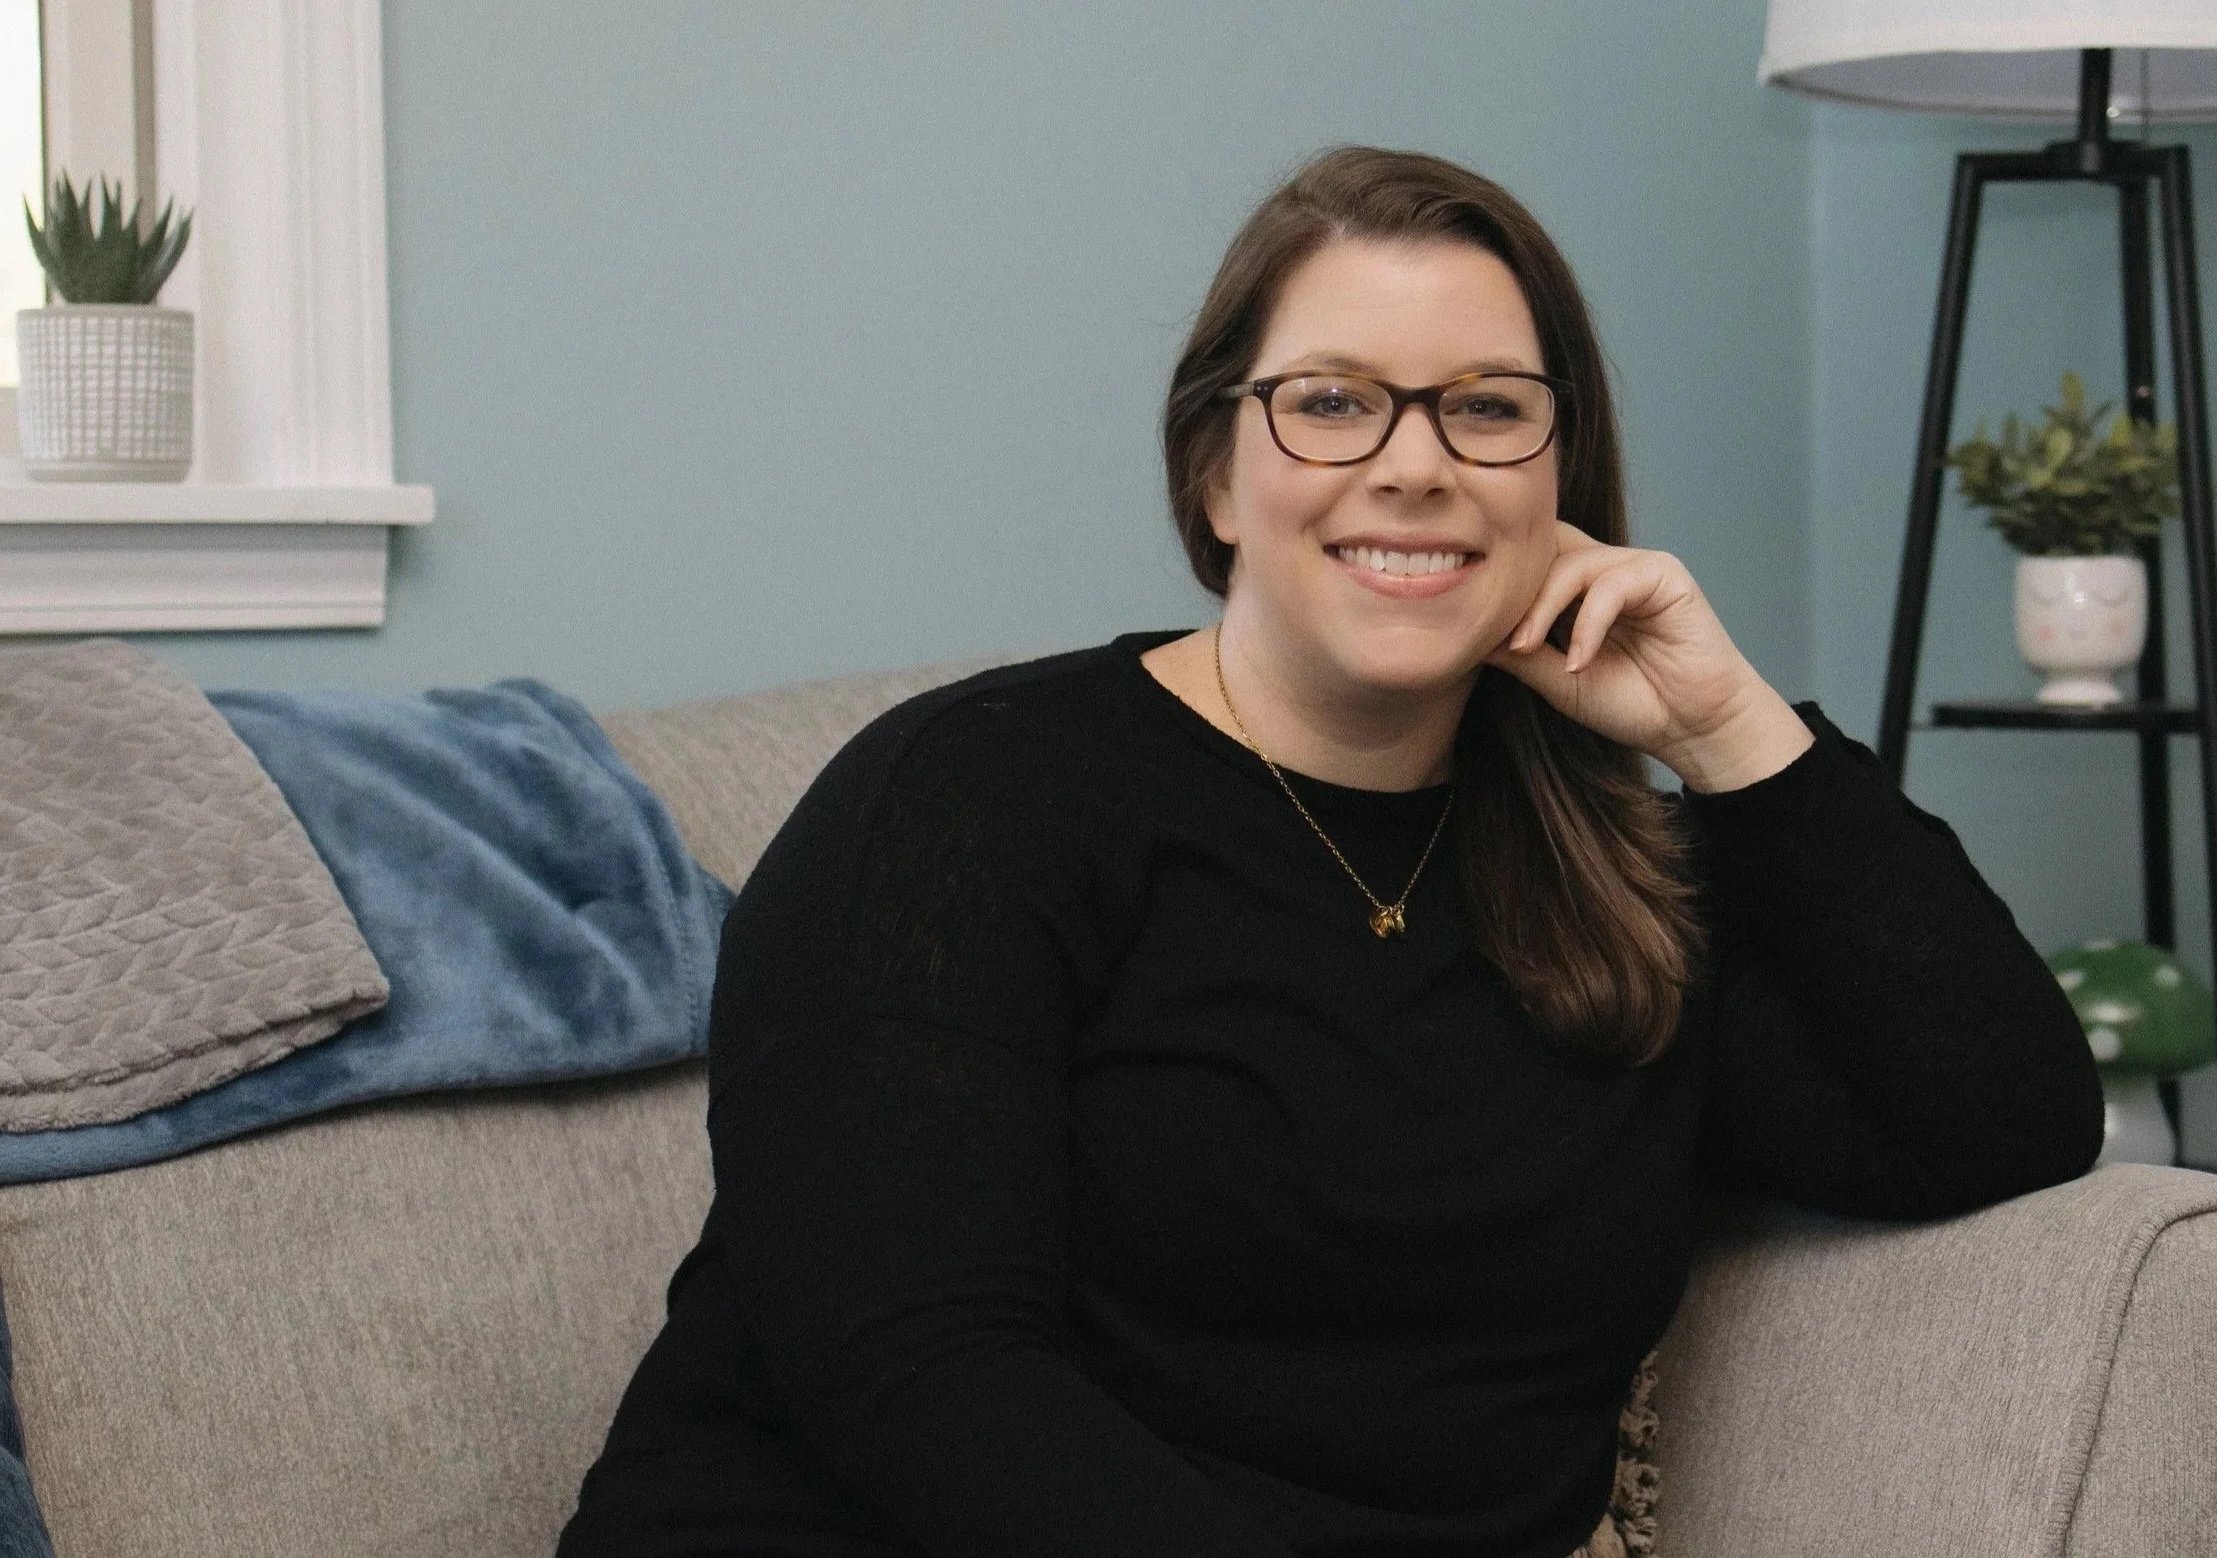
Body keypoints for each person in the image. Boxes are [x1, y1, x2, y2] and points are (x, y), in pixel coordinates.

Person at [557, 145, 2105, 1558]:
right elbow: (926, 1377)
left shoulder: (1616, 882)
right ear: (1216, 476)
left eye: (1488, 406)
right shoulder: (966, 802)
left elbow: (2000, 1121)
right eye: (1334, 399)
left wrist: (1731, 728)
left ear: (1559, 476)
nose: (1417, 463)